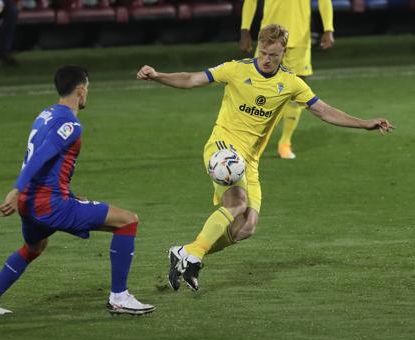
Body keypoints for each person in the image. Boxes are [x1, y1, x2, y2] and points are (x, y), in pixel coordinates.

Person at [137, 24, 393, 292]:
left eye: (274, 54)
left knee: (246, 227)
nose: (267, 59)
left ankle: (186, 252)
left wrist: (364, 124)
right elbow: (191, 79)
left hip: (250, 160)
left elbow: (324, 111)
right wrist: (157, 75)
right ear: (258, 46)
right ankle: (194, 257)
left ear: (284, 52)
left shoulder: (291, 83)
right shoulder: (236, 69)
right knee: (237, 202)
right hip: (222, 148)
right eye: (263, 52)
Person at [0, 65, 155, 316]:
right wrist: (15, 189)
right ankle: (120, 297)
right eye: (88, 89)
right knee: (127, 221)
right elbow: (42, 155)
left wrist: (47, 193)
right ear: (80, 91)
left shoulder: (45, 114)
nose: (87, 95)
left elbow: (46, 163)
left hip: (31, 202)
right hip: (48, 204)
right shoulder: (70, 124)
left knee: (34, 247)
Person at [240, 0, 335, 159]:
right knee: (256, 92)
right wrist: (245, 30)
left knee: (296, 95)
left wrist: (328, 28)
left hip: (299, 39)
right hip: (268, 38)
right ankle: (251, 141)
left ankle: (285, 142)